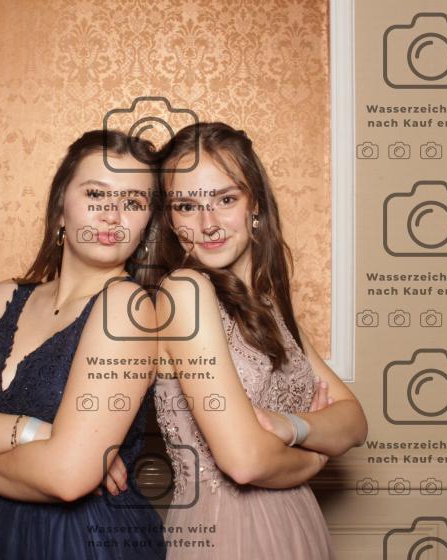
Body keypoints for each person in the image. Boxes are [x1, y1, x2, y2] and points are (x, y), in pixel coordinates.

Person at [0, 129, 167, 559]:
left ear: (146, 224)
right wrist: (37, 432)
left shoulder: (126, 307)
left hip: (84, 541)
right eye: (96, 195)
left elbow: (68, 477)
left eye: (133, 202)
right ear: (60, 209)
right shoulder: (5, 297)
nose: (112, 216)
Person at [152, 122, 368, 559]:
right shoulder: (185, 293)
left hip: (297, 523)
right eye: (187, 206)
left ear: (255, 204)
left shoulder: (268, 307)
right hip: (229, 531)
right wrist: (314, 456)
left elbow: (355, 421)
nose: (209, 224)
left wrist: (291, 426)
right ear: (171, 220)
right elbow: (245, 462)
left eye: (225, 199)